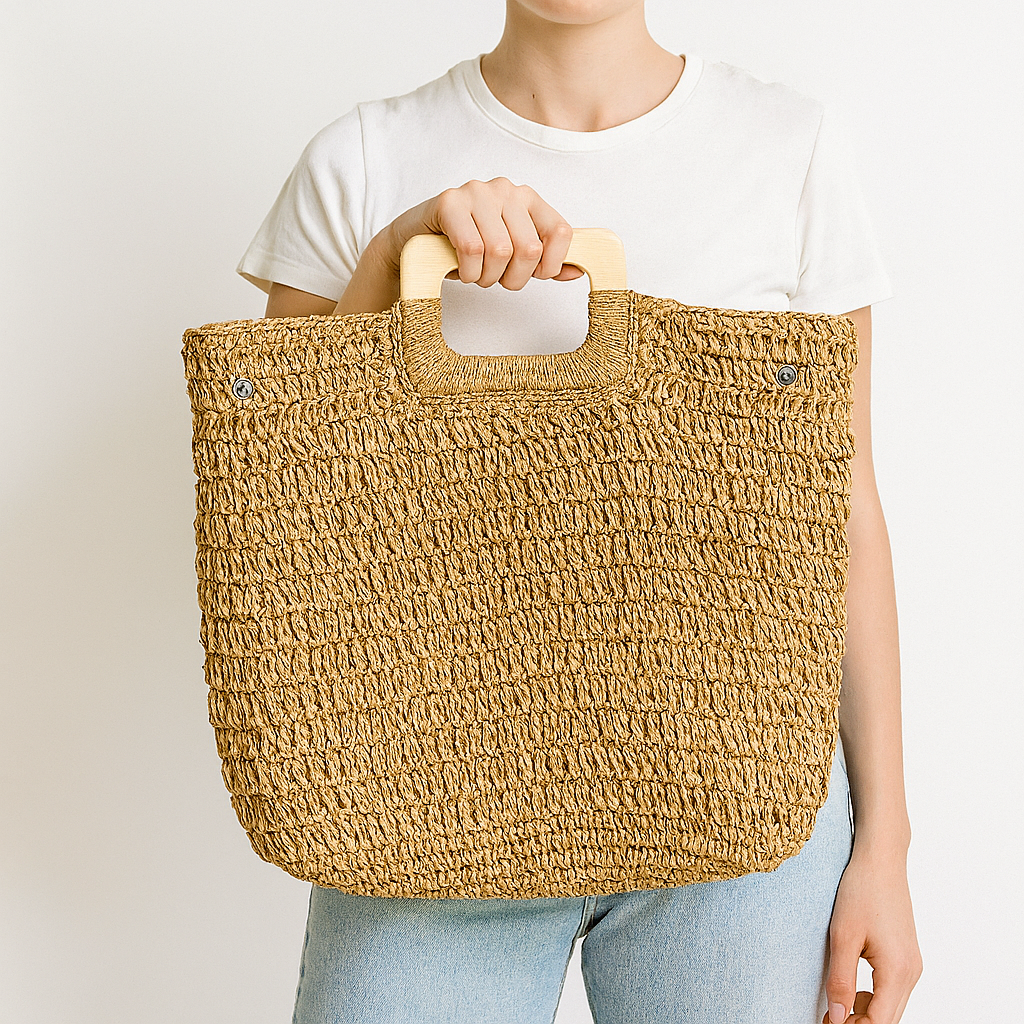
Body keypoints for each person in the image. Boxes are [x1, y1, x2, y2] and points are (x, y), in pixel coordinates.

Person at [236, 3, 923, 1022]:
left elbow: (844, 509)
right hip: (413, 797)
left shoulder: (789, 149)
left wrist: (884, 847)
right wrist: (393, 254)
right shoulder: (363, 158)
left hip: (738, 805)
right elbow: (288, 500)